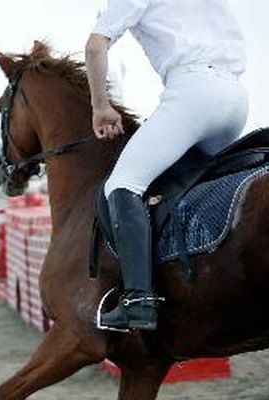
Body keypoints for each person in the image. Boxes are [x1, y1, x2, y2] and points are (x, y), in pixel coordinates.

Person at [86, 0, 248, 330]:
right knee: (183, 183)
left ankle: (138, 301)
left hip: (194, 92)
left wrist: (100, 106)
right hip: (235, 99)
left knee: (123, 185)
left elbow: (94, 46)